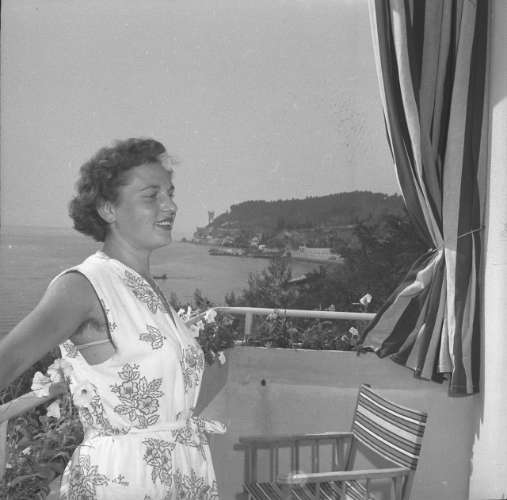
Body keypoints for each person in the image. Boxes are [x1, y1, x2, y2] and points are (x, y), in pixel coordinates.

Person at [0, 138, 225, 499]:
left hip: (179, 471)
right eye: (151, 196)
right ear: (108, 209)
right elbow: (7, 361)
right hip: (125, 479)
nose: (171, 205)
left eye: (170, 193)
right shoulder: (84, 285)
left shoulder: (144, 287)